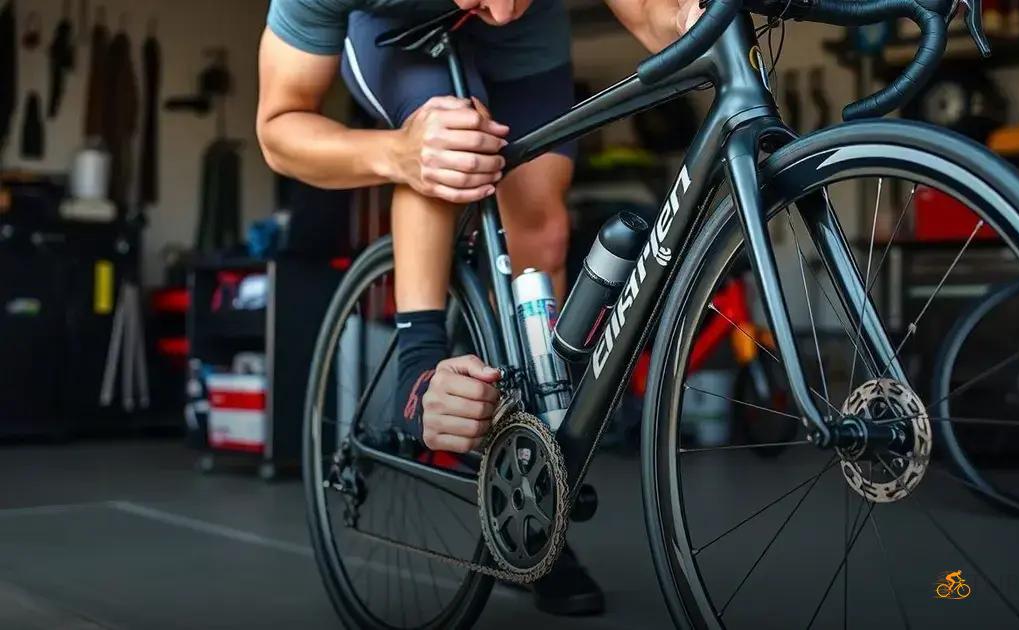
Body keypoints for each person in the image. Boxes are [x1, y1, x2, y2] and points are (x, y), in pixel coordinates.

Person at [256, 0, 700, 616]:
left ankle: (531, 502)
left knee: (541, 231)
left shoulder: (517, 10)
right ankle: (418, 372)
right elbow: (279, 127)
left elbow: (661, 19)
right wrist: (397, 152)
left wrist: (698, 16)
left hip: (529, 47)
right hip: (397, 33)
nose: (499, 7)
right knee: (448, 134)